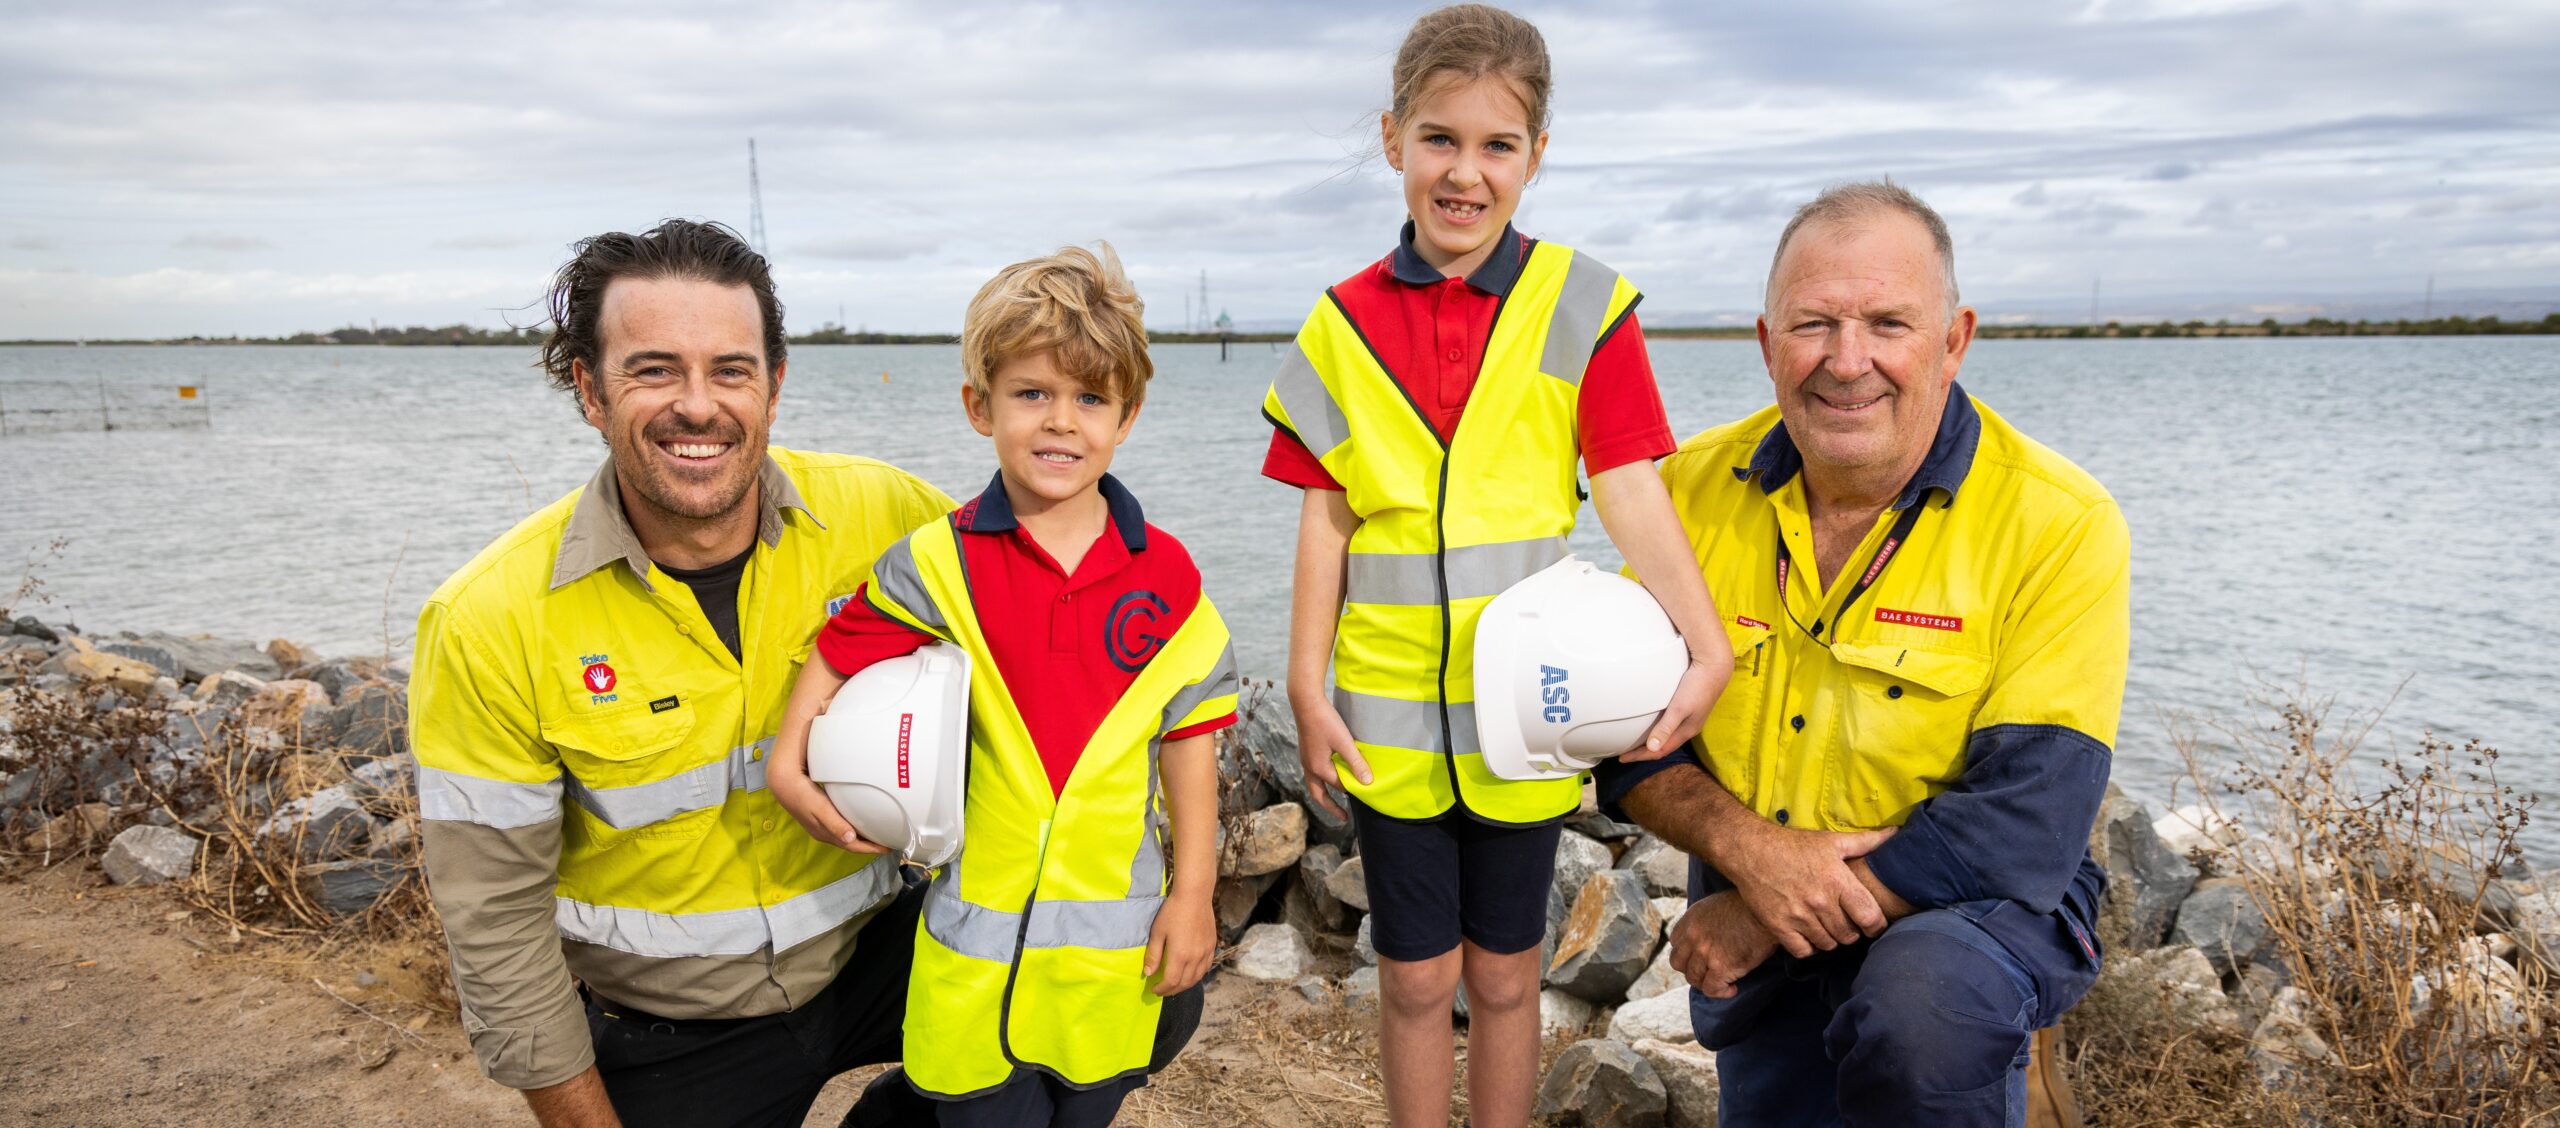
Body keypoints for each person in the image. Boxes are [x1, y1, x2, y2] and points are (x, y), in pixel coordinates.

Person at [1258, 6, 1734, 1124]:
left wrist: (1705, 644)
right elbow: (1328, 519)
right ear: (1393, 139)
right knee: (1417, 979)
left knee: (1510, 977)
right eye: (1439, 138)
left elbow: (1631, 491)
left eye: (1496, 145)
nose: (1464, 173)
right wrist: (1304, 685)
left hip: (1532, 710)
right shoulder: (1338, 324)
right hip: (1386, 717)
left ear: (1536, 155)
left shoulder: (1583, 305)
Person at [1595, 181, 2130, 1127]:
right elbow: (1626, 741)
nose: (1848, 362)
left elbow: (2028, 816)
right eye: (1814, 325)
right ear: (1767, 344)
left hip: (1969, 921)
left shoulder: (2059, 523)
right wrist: (1752, 856)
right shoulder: (1685, 493)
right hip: (1762, 915)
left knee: (1923, 1014)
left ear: (1954, 340)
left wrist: (1765, 908)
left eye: (1889, 323)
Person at [410, 219, 950, 1128]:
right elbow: (495, 922)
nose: (698, 406)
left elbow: (1057, 621)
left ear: (775, 386)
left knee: (1124, 992)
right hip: (675, 1034)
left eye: (731, 370)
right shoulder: (487, 619)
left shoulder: (889, 514)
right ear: (590, 389)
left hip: (879, 948)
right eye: (654, 370)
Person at [767, 244, 1236, 1128]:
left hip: (1108, 972)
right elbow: (840, 649)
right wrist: (788, 760)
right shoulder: (937, 562)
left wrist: (1193, 893)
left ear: (1128, 416)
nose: (1061, 422)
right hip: (972, 973)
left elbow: (1190, 734)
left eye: (1090, 398)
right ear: (979, 406)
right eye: (1032, 394)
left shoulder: (1167, 576)